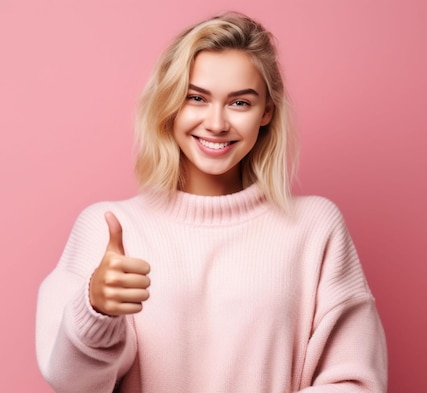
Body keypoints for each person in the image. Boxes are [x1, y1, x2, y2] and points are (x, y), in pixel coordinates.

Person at [36, 11, 387, 393]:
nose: (217, 123)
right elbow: (73, 384)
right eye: (196, 98)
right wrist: (97, 311)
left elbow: (355, 381)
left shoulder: (315, 227)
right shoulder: (109, 227)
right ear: (170, 104)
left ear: (266, 111)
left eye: (239, 103)